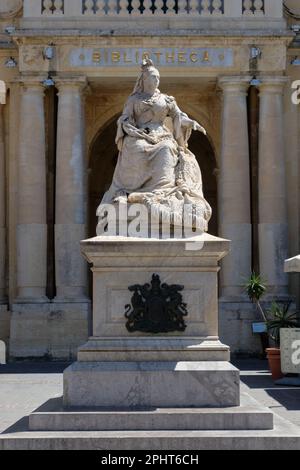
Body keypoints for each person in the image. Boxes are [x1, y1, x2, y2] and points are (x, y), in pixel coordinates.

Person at [98, 58, 212, 232]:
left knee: (167, 148)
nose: (156, 80)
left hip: (161, 135)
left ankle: (162, 192)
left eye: (157, 78)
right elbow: (125, 117)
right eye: (152, 77)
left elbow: (177, 115)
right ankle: (127, 190)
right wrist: (127, 125)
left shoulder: (166, 99)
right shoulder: (134, 99)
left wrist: (190, 122)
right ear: (144, 80)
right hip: (139, 134)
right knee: (133, 146)